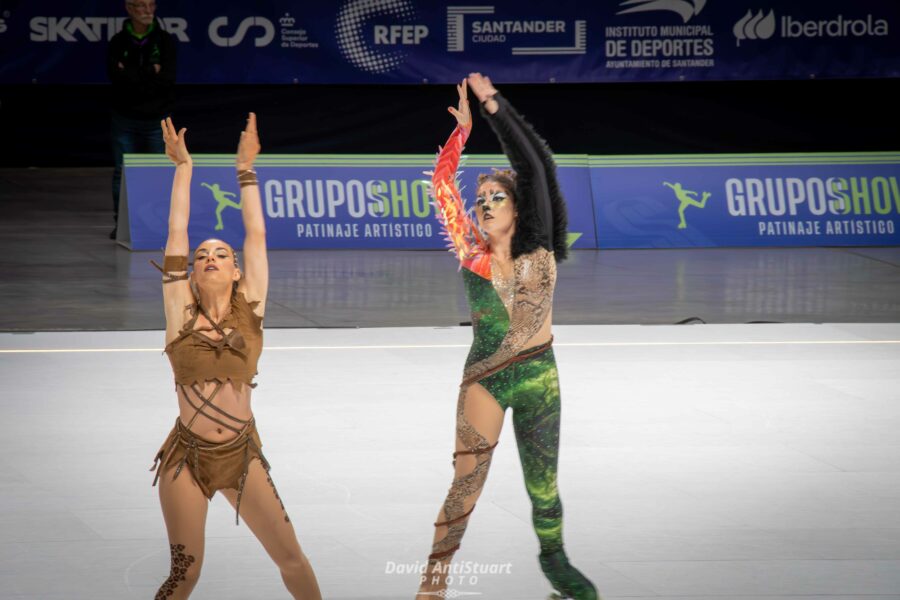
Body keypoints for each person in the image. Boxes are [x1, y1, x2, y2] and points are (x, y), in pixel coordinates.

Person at [417, 74, 599, 599]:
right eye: (482, 199)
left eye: (498, 197)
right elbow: (442, 186)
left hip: (539, 376)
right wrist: (461, 134)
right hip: (485, 380)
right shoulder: (471, 254)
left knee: (543, 490)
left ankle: (555, 561)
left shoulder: (538, 250)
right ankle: (433, 583)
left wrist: (495, 106)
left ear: (519, 209)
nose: (486, 204)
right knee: (464, 484)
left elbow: (537, 168)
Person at [149, 114, 322, 599]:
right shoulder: (180, 311)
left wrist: (246, 170)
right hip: (187, 458)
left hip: (241, 456)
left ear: (236, 271)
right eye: (203, 255)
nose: (209, 258)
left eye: (221, 253)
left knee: (291, 557)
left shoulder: (252, 311)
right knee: (185, 573)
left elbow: (258, 237)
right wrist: (183, 169)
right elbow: (176, 231)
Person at [107, 0, 176, 239]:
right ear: (128, 8)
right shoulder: (118, 42)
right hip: (125, 118)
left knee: (156, 172)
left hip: (156, 119)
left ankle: (156, 225)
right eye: (141, 6)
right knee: (122, 172)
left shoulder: (164, 40)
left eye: (152, 5)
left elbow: (167, 79)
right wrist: (149, 72)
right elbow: (116, 78)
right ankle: (123, 224)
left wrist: (132, 76)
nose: (148, 11)